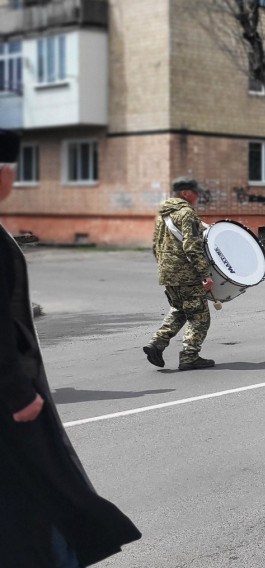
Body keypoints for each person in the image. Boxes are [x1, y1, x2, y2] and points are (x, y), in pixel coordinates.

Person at [0, 129, 142, 565]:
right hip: (9, 402)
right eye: (10, 170)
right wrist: (17, 391)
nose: (13, 180)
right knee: (32, 502)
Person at [143, 176, 216, 370]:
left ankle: (157, 343)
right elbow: (192, 246)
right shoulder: (186, 213)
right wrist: (205, 275)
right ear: (185, 193)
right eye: (195, 192)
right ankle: (190, 356)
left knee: (180, 309)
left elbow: (155, 246)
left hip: (167, 272)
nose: (198, 195)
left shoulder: (162, 215)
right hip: (187, 274)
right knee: (199, 317)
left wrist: (165, 268)